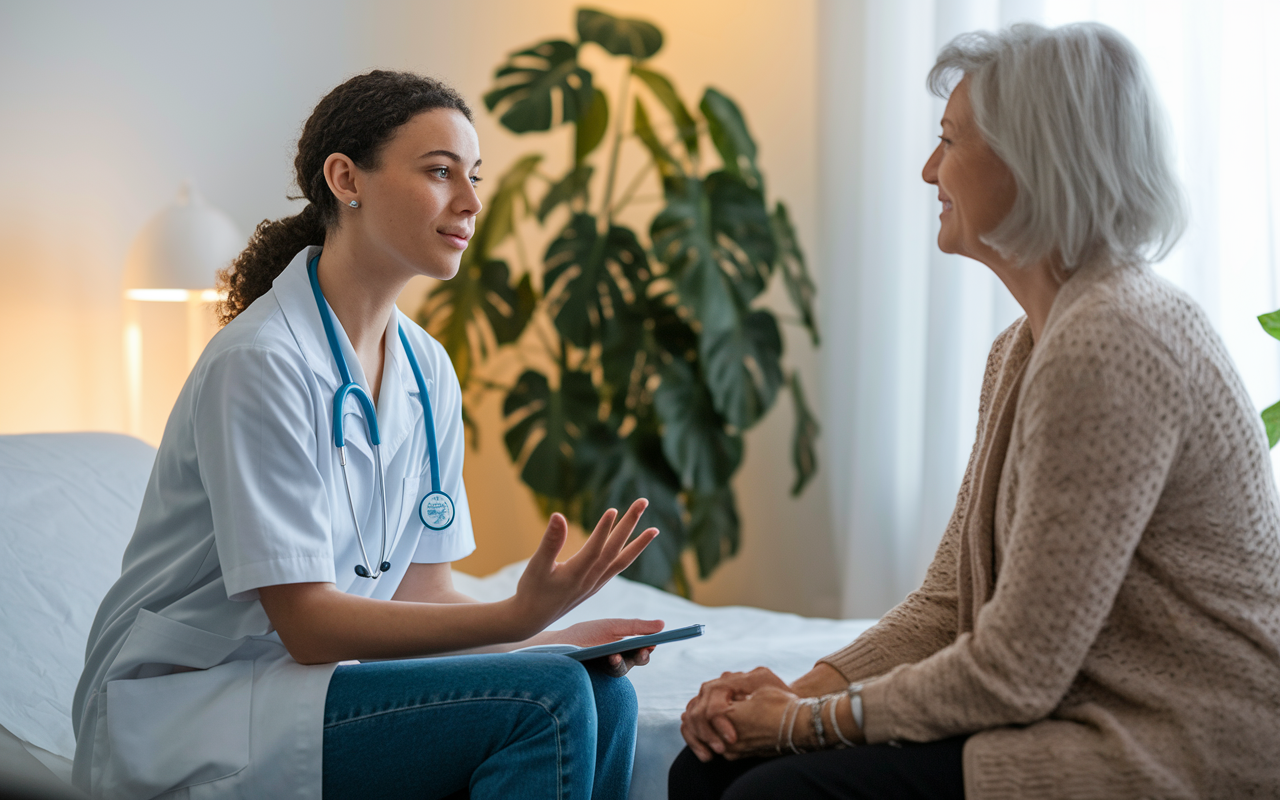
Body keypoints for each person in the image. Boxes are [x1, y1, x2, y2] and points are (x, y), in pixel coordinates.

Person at [670, 22, 1280, 800]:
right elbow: (948, 602)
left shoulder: (1115, 339)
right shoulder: (1024, 346)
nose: (929, 169)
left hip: (1173, 746)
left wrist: (799, 723)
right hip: (1076, 716)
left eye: (948, 141)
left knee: (773, 793)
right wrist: (797, 690)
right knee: (709, 765)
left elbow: (1015, 672)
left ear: (1035, 160)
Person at [72, 70, 665, 800]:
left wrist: (546, 639)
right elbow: (309, 627)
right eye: (440, 172)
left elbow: (421, 592)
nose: (471, 203)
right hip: (191, 704)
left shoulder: (426, 367)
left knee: (599, 691)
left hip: (303, 688)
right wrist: (517, 616)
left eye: (474, 177)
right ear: (346, 178)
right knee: (547, 701)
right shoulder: (261, 361)